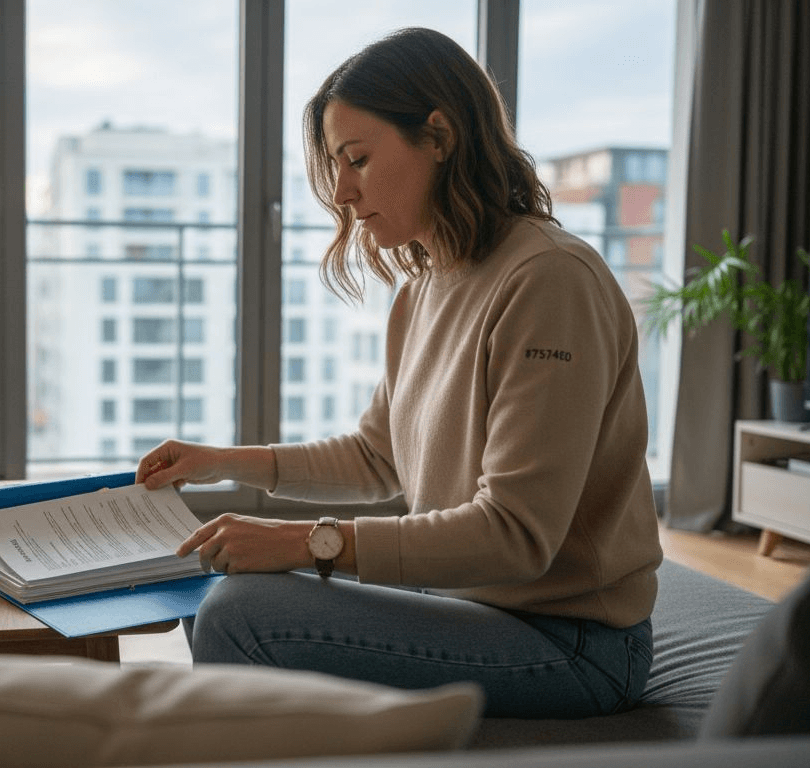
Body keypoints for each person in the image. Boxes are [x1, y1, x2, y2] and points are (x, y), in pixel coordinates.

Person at [135, 27, 662, 719]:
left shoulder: (549, 281)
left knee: (240, 614)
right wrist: (222, 462)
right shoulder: (425, 285)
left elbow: (516, 535)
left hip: (573, 640)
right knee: (211, 593)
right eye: (336, 165)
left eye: (357, 158)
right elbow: (378, 456)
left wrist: (306, 543)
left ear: (439, 136)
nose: (343, 191)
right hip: (469, 602)